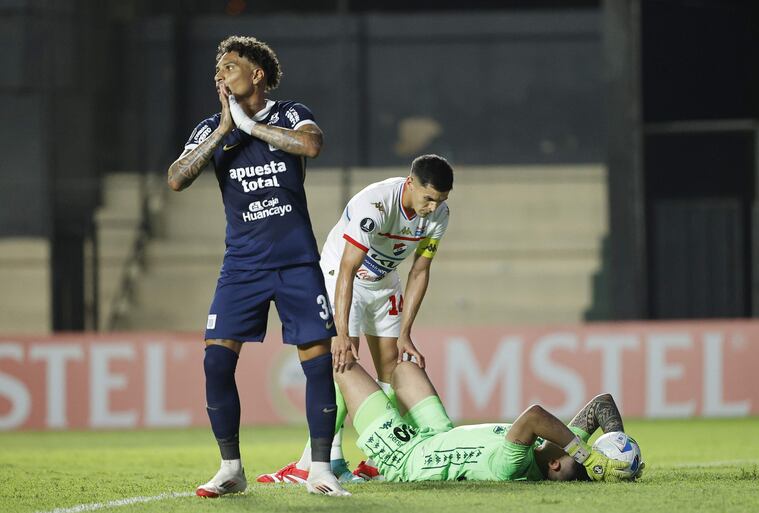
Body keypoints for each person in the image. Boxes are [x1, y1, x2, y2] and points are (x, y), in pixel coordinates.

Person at [167, 35, 348, 497]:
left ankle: (321, 470)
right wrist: (226, 128)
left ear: (257, 73)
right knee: (214, 361)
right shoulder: (213, 127)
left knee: (316, 364)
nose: (220, 75)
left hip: (295, 262)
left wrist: (250, 126)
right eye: (218, 70)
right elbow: (176, 178)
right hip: (242, 265)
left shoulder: (288, 114)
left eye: (229, 67)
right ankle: (231, 468)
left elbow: (312, 145)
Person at [256, 155, 453, 484]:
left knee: (392, 365)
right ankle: (321, 460)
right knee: (344, 361)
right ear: (410, 184)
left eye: (441, 200)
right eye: (428, 198)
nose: (433, 207)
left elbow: (420, 270)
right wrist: (340, 332)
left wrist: (406, 332)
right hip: (342, 276)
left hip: (384, 280)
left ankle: (381, 457)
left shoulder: (439, 215)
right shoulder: (375, 204)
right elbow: (348, 268)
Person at [333, 360, 637, 483]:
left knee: (343, 365)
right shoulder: (557, 447)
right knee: (404, 369)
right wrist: (615, 446)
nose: (575, 445)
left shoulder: (513, 465)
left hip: (408, 457)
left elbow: (534, 416)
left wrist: (588, 455)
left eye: (575, 451)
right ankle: (375, 419)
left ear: (555, 464)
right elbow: (601, 404)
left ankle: (325, 461)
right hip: (438, 434)